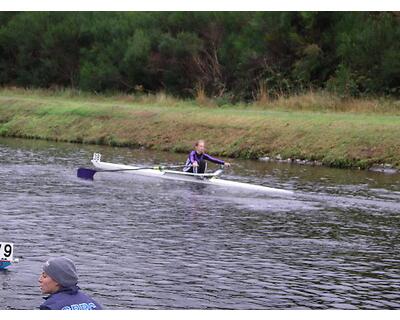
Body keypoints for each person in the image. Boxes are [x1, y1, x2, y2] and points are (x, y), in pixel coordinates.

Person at [39, 257, 103, 310]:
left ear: (57, 280)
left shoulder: (50, 307)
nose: (40, 280)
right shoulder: (92, 303)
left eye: (45, 276)